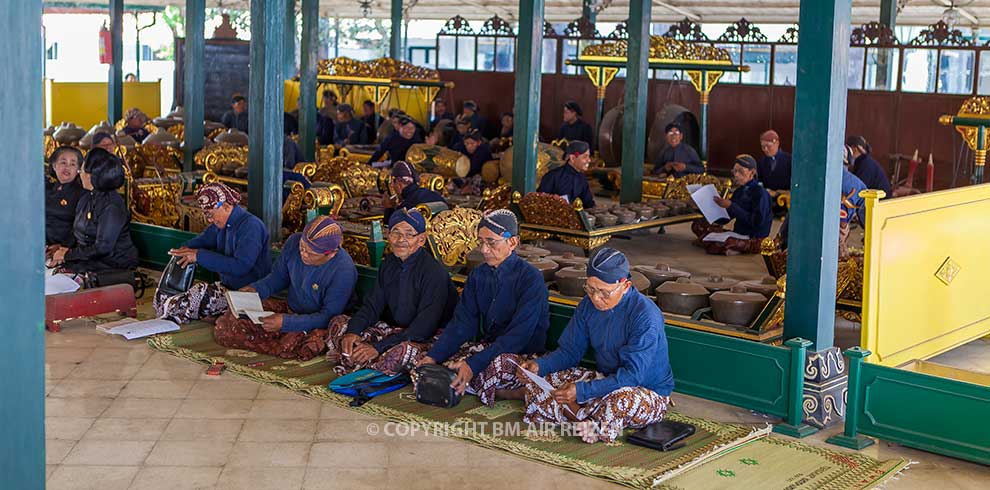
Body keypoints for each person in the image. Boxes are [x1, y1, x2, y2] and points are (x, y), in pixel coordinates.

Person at [513, 248, 673, 444]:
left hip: (644, 391)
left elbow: (633, 376)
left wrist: (582, 391)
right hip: (605, 379)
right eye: (590, 289)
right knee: (544, 382)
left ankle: (580, 414)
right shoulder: (588, 305)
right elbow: (570, 352)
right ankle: (588, 419)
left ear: (625, 285)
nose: (596, 298)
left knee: (620, 401)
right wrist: (539, 366)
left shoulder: (645, 316)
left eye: (604, 292)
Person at [414, 210, 550, 406]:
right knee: (431, 360)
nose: (484, 250)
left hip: (521, 354)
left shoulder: (531, 279)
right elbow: (462, 324)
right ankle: (486, 387)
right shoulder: (478, 275)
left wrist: (473, 365)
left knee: (497, 367)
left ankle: (510, 391)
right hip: (490, 348)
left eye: (491, 242)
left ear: (512, 242)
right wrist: (433, 357)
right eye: (481, 242)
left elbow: (518, 337)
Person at [325, 209, 458, 374]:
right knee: (340, 324)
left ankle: (357, 359)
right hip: (394, 330)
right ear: (389, 235)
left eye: (409, 234)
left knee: (400, 352)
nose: (401, 240)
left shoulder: (433, 272)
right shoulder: (389, 263)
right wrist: (353, 331)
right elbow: (372, 306)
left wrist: (378, 348)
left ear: (421, 239)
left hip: (425, 337)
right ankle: (359, 358)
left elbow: (423, 329)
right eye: (396, 233)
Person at [213, 216, 358, 360]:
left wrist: (286, 323)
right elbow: (278, 278)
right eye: (302, 247)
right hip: (290, 310)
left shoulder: (343, 270)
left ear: (331, 254)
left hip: (317, 324)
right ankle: (274, 338)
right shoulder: (294, 242)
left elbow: (328, 317)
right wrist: (255, 289)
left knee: (294, 346)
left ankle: (282, 341)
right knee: (231, 322)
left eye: (310, 253)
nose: (303, 254)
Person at [155, 183, 271, 323]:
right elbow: (202, 240)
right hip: (226, 288)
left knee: (186, 303)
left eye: (211, 215)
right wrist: (183, 250)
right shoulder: (221, 224)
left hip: (247, 294)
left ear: (226, 206)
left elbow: (240, 266)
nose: (210, 220)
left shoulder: (251, 226)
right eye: (206, 215)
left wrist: (199, 255)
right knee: (167, 300)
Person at [48, 148, 138, 275]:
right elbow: (76, 232)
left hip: (111, 265)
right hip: (87, 260)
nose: (80, 173)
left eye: (82, 169)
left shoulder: (111, 205)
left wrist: (68, 255)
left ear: (91, 175)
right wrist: (62, 249)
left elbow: (103, 247)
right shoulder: (86, 197)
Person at [692, 154, 772, 255]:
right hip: (737, 234)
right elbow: (726, 219)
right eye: (734, 171)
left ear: (752, 172)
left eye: (740, 171)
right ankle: (732, 246)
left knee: (717, 245)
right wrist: (708, 209)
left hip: (754, 237)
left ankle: (736, 246)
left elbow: (757, 223)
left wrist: (731, 206)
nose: (736, 175)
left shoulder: (761, 193)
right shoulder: (739, 191)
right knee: (698, 226)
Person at [382, 161, 447, 223]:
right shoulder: (432, 194)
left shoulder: (408, 204)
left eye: (393, 183)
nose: (393, 186)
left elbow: (390, 224)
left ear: (399, 183)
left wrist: (388, 207)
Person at [46, 146, 85, 248]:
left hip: (64, 249)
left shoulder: (82, 194)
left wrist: (62, 247)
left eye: (72, 164)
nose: (67, 167)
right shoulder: (45, 188)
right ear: (54, 166)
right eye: (63, 162)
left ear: (78, 169)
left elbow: (80, 229)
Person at [536, 140, 595, 208]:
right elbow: (539, 202)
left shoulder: (582, 178)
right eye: (585, 157)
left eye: (589, 156)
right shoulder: (553, 176)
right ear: (572, 158)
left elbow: (588, 203)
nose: (589, 160)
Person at [756, 129, 791, 194]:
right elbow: (759, 181)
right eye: (763, 147)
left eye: (768, 146)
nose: (765, 150)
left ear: (777, 143)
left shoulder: (789, 160)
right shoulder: (761, 162)